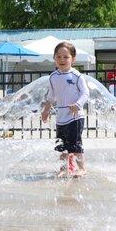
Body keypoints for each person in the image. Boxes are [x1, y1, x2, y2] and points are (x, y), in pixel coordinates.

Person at [41, 41, 89, 177]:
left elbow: (85, 93)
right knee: (61, 145)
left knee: (75, 144)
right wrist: (46, 110)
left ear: (73, 59)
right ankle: (64, 168)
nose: (62, 60)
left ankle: (82, 168)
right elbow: (51, 96)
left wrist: (78, 104)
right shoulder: (53, 77)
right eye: (58, 57)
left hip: (75, 116)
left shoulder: (76, 76)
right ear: (54, 58)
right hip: (61, 117)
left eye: (66, 57)